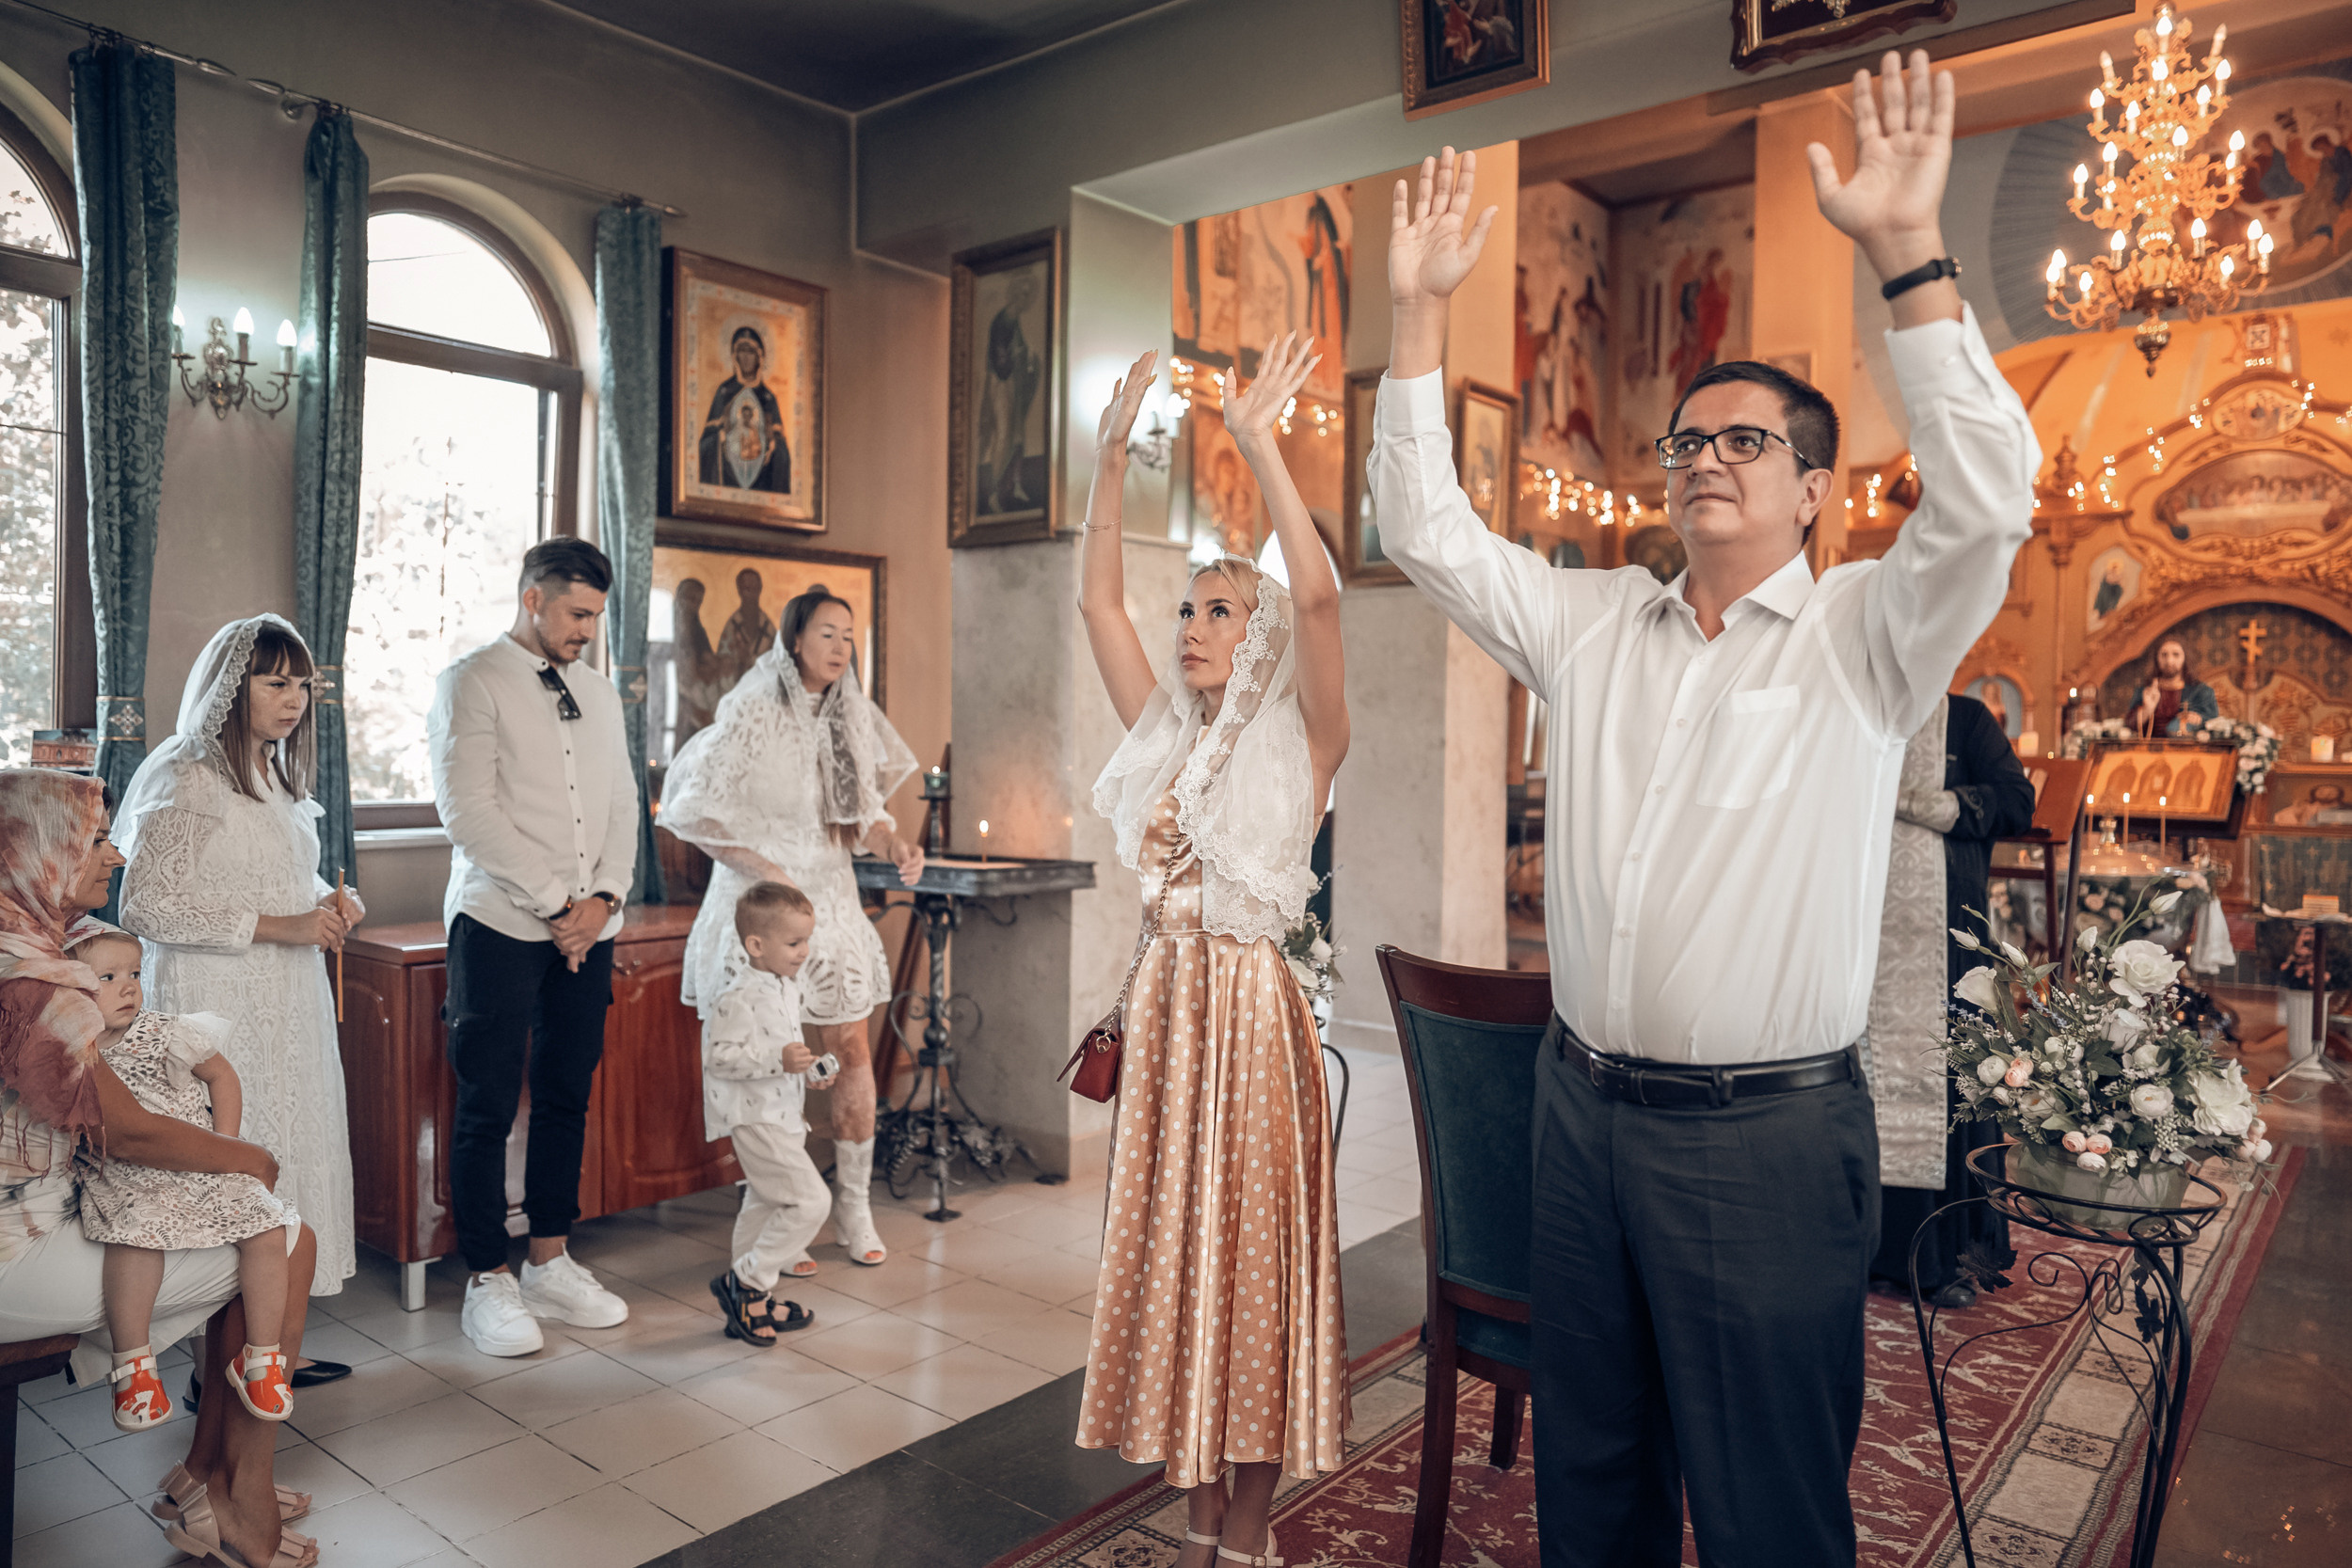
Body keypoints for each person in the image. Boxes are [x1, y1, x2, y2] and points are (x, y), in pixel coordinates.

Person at [1370, 53, 2038, 1565]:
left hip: (1767, 1140)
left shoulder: (1871, 637)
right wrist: (1416, 311)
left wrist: (1908, 255)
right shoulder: (1593, 621)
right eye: (1687, 439)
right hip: (1580, 1110)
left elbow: (1991, 499)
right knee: (1590, 1481)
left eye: (1746, 438)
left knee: (1767, 1507)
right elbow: (1420, 522)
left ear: (1815, 488)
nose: (1705, 457)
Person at [1076, 335, 1351, 1568]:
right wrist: (1104, 468)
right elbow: (1096, 600)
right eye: (1186, 605)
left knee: (1246, 1271)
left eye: (1219, 608)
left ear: (1263, 632)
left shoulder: (1306, 739)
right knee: (1180, 1261)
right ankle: (1196, 1507)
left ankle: (1247, 1527)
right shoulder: (1161, 732)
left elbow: (1328, 594)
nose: (1190, 624)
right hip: (1174, 1020)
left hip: (1250, 1019)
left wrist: (1256, 439)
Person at [0, 768, 320, 1568]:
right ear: (39, 853)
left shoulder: (24, 947)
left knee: (223, 1216)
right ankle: (235, 1495)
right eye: (94, 840)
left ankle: (204, 1475)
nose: (114, 854)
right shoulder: (32, 984)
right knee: (285, 1239)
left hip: (37, 1208)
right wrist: (250, 1159)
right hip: (15, 1248)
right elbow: (133, 1133)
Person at [116, 614, 358, 1405]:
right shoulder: (187, 773)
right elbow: (146, 902)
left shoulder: (275, 774)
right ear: (232, 684)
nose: (293, 700)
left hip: (288, 1002)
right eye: (274, 680)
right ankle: (209, 1375)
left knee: (285, 1154)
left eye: (302, 685)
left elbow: (266, 883)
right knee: (231, 1169)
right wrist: (283, 925)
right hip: (218, 1005)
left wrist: (325, 905)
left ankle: (270, 1342)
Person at [660, 583, 922, 1269]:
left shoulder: (853, 717)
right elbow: (697, 813)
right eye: (827, 632)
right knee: (771, 1068)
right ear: (794, 640)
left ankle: (854, 1210)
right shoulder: (749, 709)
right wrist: (769, 867)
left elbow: (866, 819)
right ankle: (782, 1218)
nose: (840, 646)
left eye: (849, 634)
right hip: (761, 906)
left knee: (852, 1053)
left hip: (831, 904)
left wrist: (897, 846)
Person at [428, 537, 638, 1357]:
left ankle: (551, 1258)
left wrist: (604, 901)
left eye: (596, 616)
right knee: (485, 1103)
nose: (587, 629)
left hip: (590, 927)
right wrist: (560, 904)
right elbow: (467, 811)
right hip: (499, 923)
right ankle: (489, 1277)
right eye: (577, 613)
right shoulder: (472, 679)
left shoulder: (602, 692)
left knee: (564, 1093)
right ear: (532, 598)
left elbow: (623, 801)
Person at [72, 931, 298, 1429]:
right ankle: (134, 1367)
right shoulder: (75, 1051)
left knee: (267, 1223)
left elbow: (223, 1077)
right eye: (108, 979)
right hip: (131, 1174)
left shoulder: (164, 1031)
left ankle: (261, 1357)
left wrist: (228, 1147)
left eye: (134, 973)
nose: (129, 987)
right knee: (135, 1232)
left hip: (199, 1163)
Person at [1867, 693, 2034, 1310]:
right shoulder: (1864, 707)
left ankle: (1951, 1259)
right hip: (1862, 941)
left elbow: (2017, 802)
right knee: (1866, 1084)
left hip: (1949, 942)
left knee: (1953, 1087)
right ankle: (1866, 1250)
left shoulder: (1966, 718)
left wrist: (1936, 806)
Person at [702, 879, 833, 1343]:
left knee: (763, 1204)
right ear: (756, 945)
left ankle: (751, 1304)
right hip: (756, 1119)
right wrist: (778, 1060)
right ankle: (748, 1282)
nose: (804, 951)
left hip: (785, 1114)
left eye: (805, 940)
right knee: (812, 1201)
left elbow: (782, 1050)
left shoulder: (784, 988)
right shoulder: (737, 996)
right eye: (794, 942)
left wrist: (808, 1069)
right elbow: (719, 1057)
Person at [696, 326, 790, 493]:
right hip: (728, 475)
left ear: (759, 357)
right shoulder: (725, 392)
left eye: (751, 352)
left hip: (762, 480)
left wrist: (774, 446)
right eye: (742, 351)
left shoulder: (768, 398)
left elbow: (782, 450)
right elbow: (706, 443)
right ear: (735, 356)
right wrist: (721, 438)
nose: (746, 357)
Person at [2133, 637, 2217, 736]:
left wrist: (2198, 720)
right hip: (2150, 749)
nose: (2169, 661)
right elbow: (2129, 726)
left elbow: (2214, 724)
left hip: (2188, 750)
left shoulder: (2201, 692)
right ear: (2157, 658)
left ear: (2185, 658)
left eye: (2176, 655)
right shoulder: (2145, 691)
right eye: (2164, 655)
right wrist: (2147, 709)